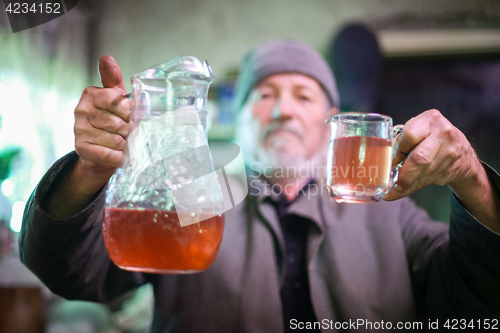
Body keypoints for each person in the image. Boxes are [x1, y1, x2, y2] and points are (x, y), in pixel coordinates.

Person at [20, 40, 500, 332]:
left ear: (332, 123)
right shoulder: (194, 199)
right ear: (239, 119)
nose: (284, 110)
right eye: (264, 94)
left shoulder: (390, 215)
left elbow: (478, 297)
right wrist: (90, 170)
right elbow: (70, 272)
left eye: (304, 96)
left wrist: (472, 179)